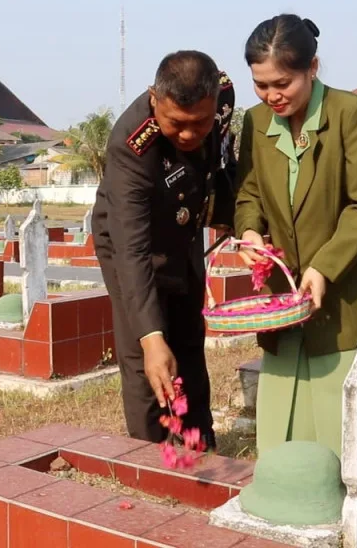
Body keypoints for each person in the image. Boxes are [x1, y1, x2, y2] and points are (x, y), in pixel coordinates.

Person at [234, 15, 357, 457]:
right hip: (286, 287)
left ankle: (352, 487)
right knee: (287, 401)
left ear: (313, 67)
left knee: (342, 403)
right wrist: (250, 230)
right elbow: (248, 189)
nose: (272, 95)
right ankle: (289, 478)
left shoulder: (352, 113)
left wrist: (324, 267)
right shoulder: (254, 121)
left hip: (349, 287)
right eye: (260, 84)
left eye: (283, 83)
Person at [92, 50, 237, 450]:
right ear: (154, 99)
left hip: (183, 224)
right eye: (177, 124)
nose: (190, 135)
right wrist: (152, 338)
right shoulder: (130, 147)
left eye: (200, 123)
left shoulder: (223, 93)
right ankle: (153, 450)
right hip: (130, 238)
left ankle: (197, 440)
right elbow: (132, 249)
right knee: (146, 352)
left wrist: (223, 208)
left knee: (189, 333)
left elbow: (222, 150)